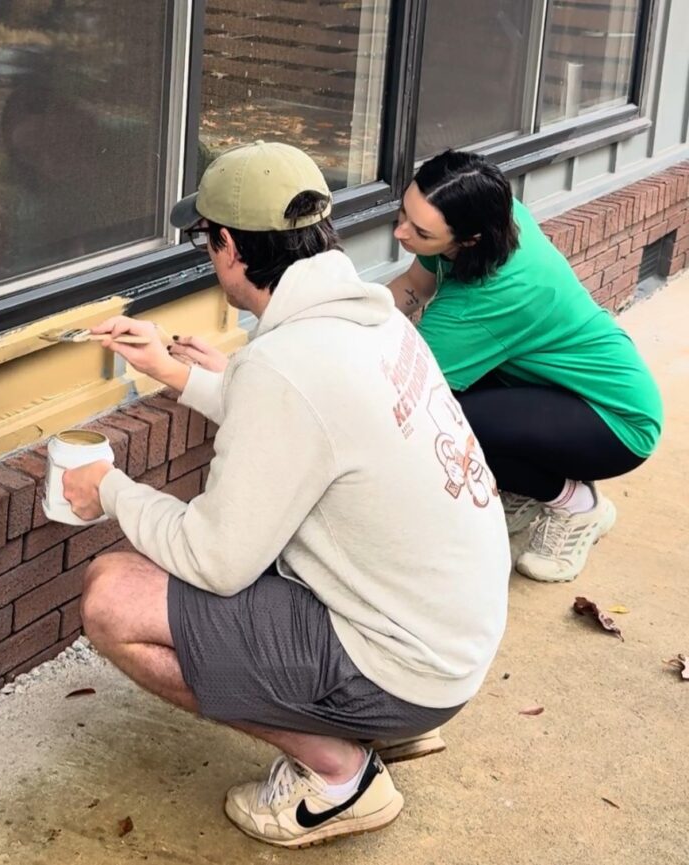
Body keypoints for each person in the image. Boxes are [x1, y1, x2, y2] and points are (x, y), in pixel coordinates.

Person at [60, 141, 511, 848]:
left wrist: (111, 490)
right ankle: (363, 721)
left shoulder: (287, 365)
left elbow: (215, 559)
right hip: (447, 641)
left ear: (231, 248)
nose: (210, 256)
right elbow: (305, 421)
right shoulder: (373, 319)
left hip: (407, 667)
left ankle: (339, 772)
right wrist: (173, 373)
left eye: (208, 240)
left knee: (112, 597)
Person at [387, 150, 663, 583]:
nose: (400, 231)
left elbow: (407, 390)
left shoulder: (485, 300)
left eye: (419, 231)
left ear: (469, 240)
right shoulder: (493, 213)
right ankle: (530, 485)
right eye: (404, 212)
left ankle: (576, 505)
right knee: (453, 410)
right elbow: (411, 288)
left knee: (441, 424)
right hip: (556, 388)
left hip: (616, 422)